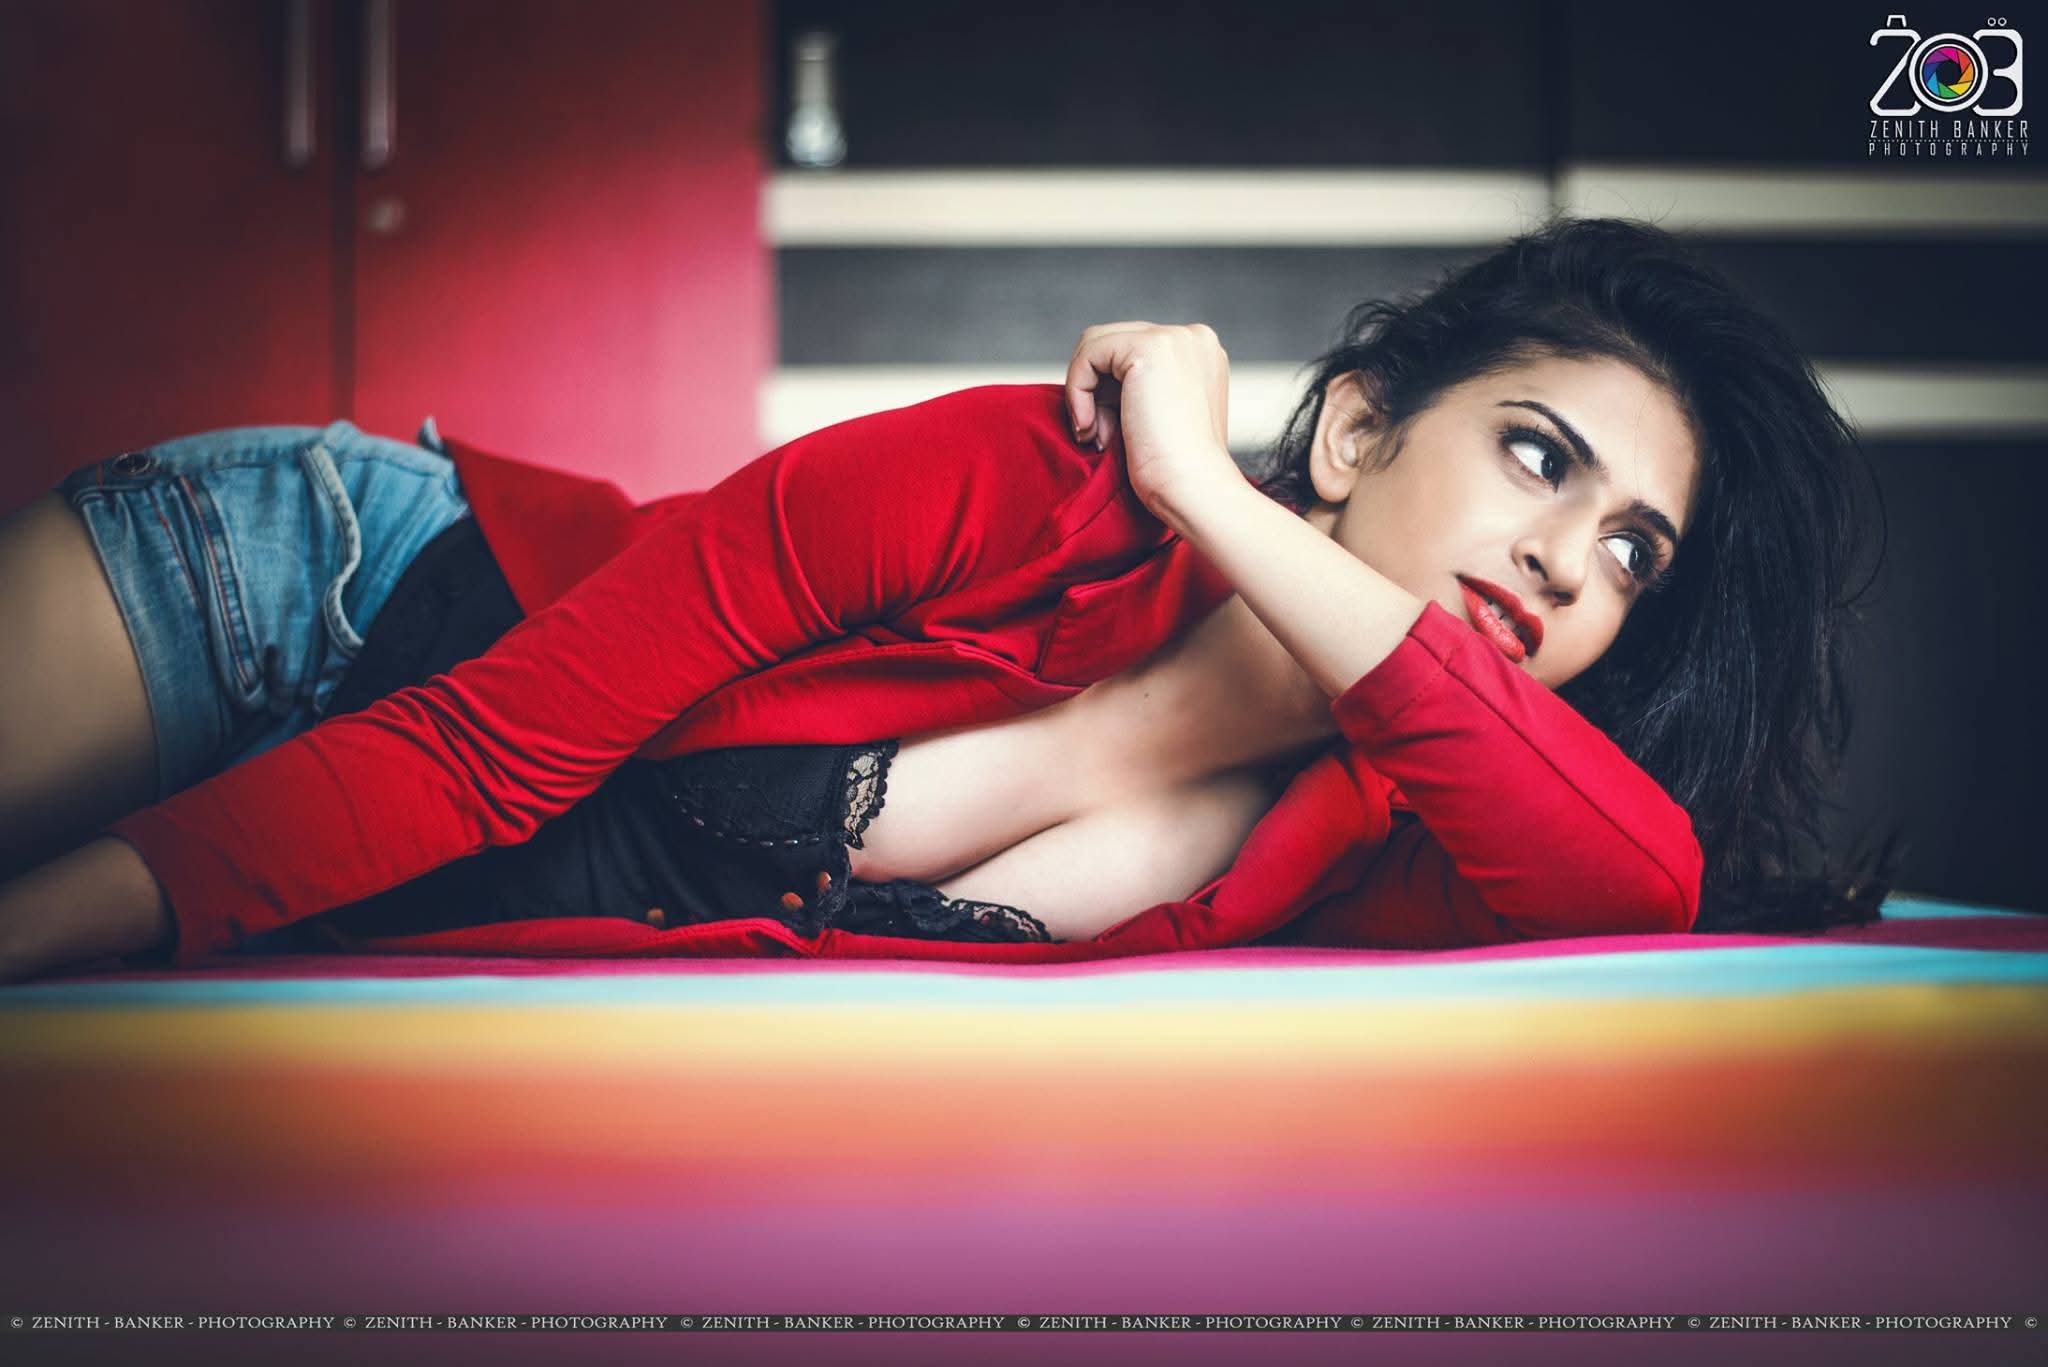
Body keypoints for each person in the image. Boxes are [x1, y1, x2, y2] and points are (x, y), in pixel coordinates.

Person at [0, 215, 1895, 983]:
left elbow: (1630, 879)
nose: (1572, 560)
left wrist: (1217, 508)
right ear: (1361, 431)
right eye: (1542, 457)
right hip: (327, 592)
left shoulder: (1363, 851)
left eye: (1635, 550)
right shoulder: (1026, 483)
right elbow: (488, 757)